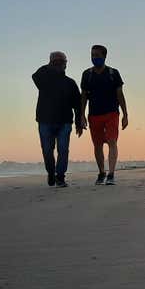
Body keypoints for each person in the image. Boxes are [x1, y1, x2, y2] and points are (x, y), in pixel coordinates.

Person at [32, 51, 83, 187]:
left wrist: (79, 122)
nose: (60, 64)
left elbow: (77, 105)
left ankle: (60, 177)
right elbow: (35, 76)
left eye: (62, 62)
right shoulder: (43, 80)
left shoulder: (70, 83)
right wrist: (50, 64)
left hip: (65, 122)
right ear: (51, 63)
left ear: (66, 65)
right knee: (47, 150)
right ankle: (51, 172)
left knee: (63, 149)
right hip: (45, 120)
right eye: (56, 62)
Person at [80, 44, 128, 185]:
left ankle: (111, 174)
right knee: (98, 145)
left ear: (104, 56)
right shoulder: (87, 74)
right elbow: (83, 96)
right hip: (94, 115)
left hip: (112, 113)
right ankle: (101, 172)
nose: (94, 58)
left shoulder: (113, 73)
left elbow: (120, 94)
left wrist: (125, 114)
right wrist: (81, 115)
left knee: (112, 142)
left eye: (97, 55)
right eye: (92, 55)